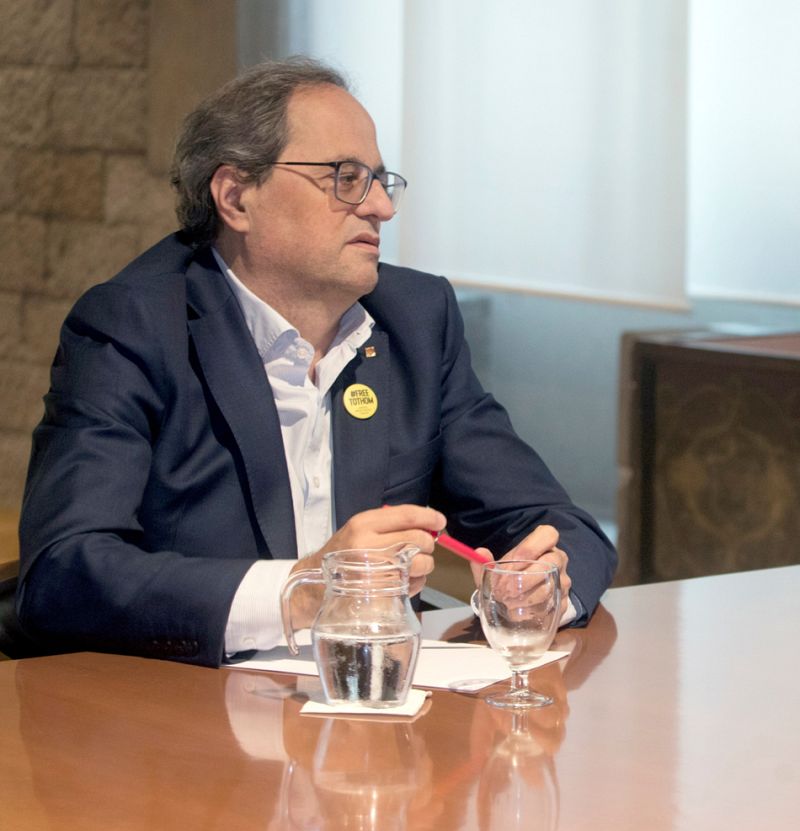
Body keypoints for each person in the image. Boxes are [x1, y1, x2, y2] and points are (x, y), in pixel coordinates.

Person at [15, 58, 617, 666]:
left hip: (374, 701)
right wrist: (305, 590)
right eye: (346, 178)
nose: (381, 207)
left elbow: (557, 524)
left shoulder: (415, 319)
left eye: (380, 180)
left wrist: (541, 586)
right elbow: (64, 572)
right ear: (236, 198)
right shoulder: (134, 326)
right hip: (187, 702)